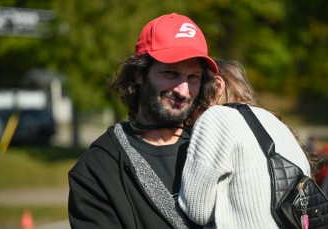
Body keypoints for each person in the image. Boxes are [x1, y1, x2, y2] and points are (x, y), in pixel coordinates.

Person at [68, 13, 218, 229]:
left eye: (193, 77)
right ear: (139, 73)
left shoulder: (215, 148)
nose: (183, 91)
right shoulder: (97, 169)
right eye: (170, 73)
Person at [178, 60, 313, 228]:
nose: (188, 122)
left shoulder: (215, 117)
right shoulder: (273, 121)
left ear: (217, 86)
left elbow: (196, 211)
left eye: (191, 108)